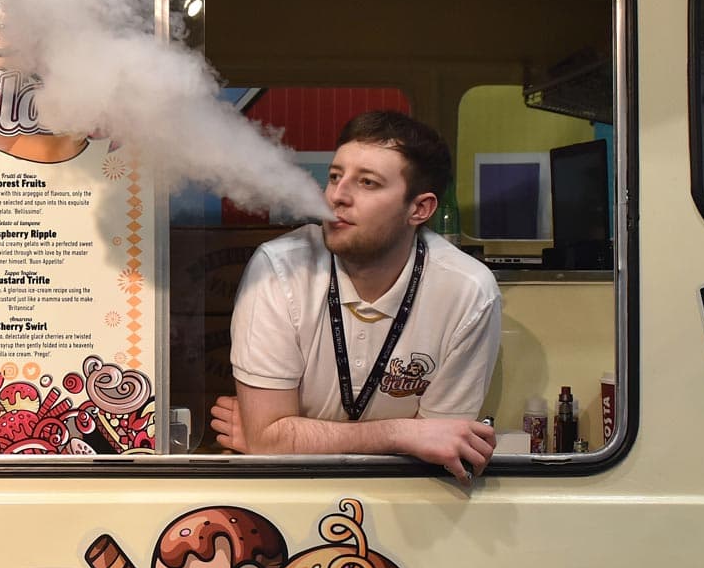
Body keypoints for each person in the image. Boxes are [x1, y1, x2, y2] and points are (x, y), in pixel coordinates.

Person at [210, 111, 501, 482]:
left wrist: (290, 436)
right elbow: (269, 441)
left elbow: (439, 451)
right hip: (289, 491)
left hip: (407, 499)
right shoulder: (278, 268)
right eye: (334, 176)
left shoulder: (469, 291)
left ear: (420, 209)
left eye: (367, 182)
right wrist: (403, 433)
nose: (337, 196)